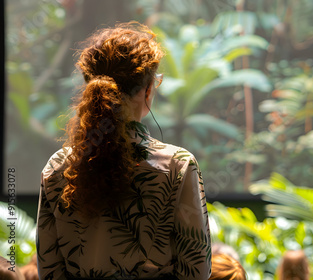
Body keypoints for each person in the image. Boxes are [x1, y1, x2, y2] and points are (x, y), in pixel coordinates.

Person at [36, 22, 211, 279]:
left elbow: (49, 271)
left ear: (89, 87)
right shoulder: (178, 166)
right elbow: (197, 271)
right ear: (148, 89)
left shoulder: (57, 166)